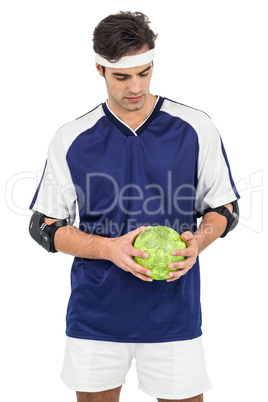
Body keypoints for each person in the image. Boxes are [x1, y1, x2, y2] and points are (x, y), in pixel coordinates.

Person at [29, 11, 240, 402]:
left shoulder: (194, 126)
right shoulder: (71, 138)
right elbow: (44, 227)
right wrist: (109, 249)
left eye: (144, 73)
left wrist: (199, 242)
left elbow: (225, 209)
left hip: (173, 313)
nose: (135, 87)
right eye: (122, 77)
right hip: (96, 315)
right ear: (100, 70)